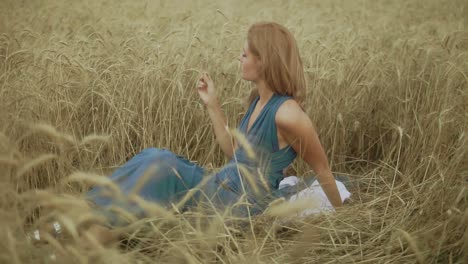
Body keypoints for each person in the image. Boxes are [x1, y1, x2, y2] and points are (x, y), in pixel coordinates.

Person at [30, 22, 343, 246]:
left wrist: (344, 221)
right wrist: (213, 105)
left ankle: (70, 221)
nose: (239, 59)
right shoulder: (259, 102)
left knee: (160, 163)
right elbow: (237, 155)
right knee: (148, 175)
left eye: (245, 54)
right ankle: (69, 233)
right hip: (222, 185)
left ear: (264, 61)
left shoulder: (288, 113)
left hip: (237, 205)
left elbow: (322, 168)